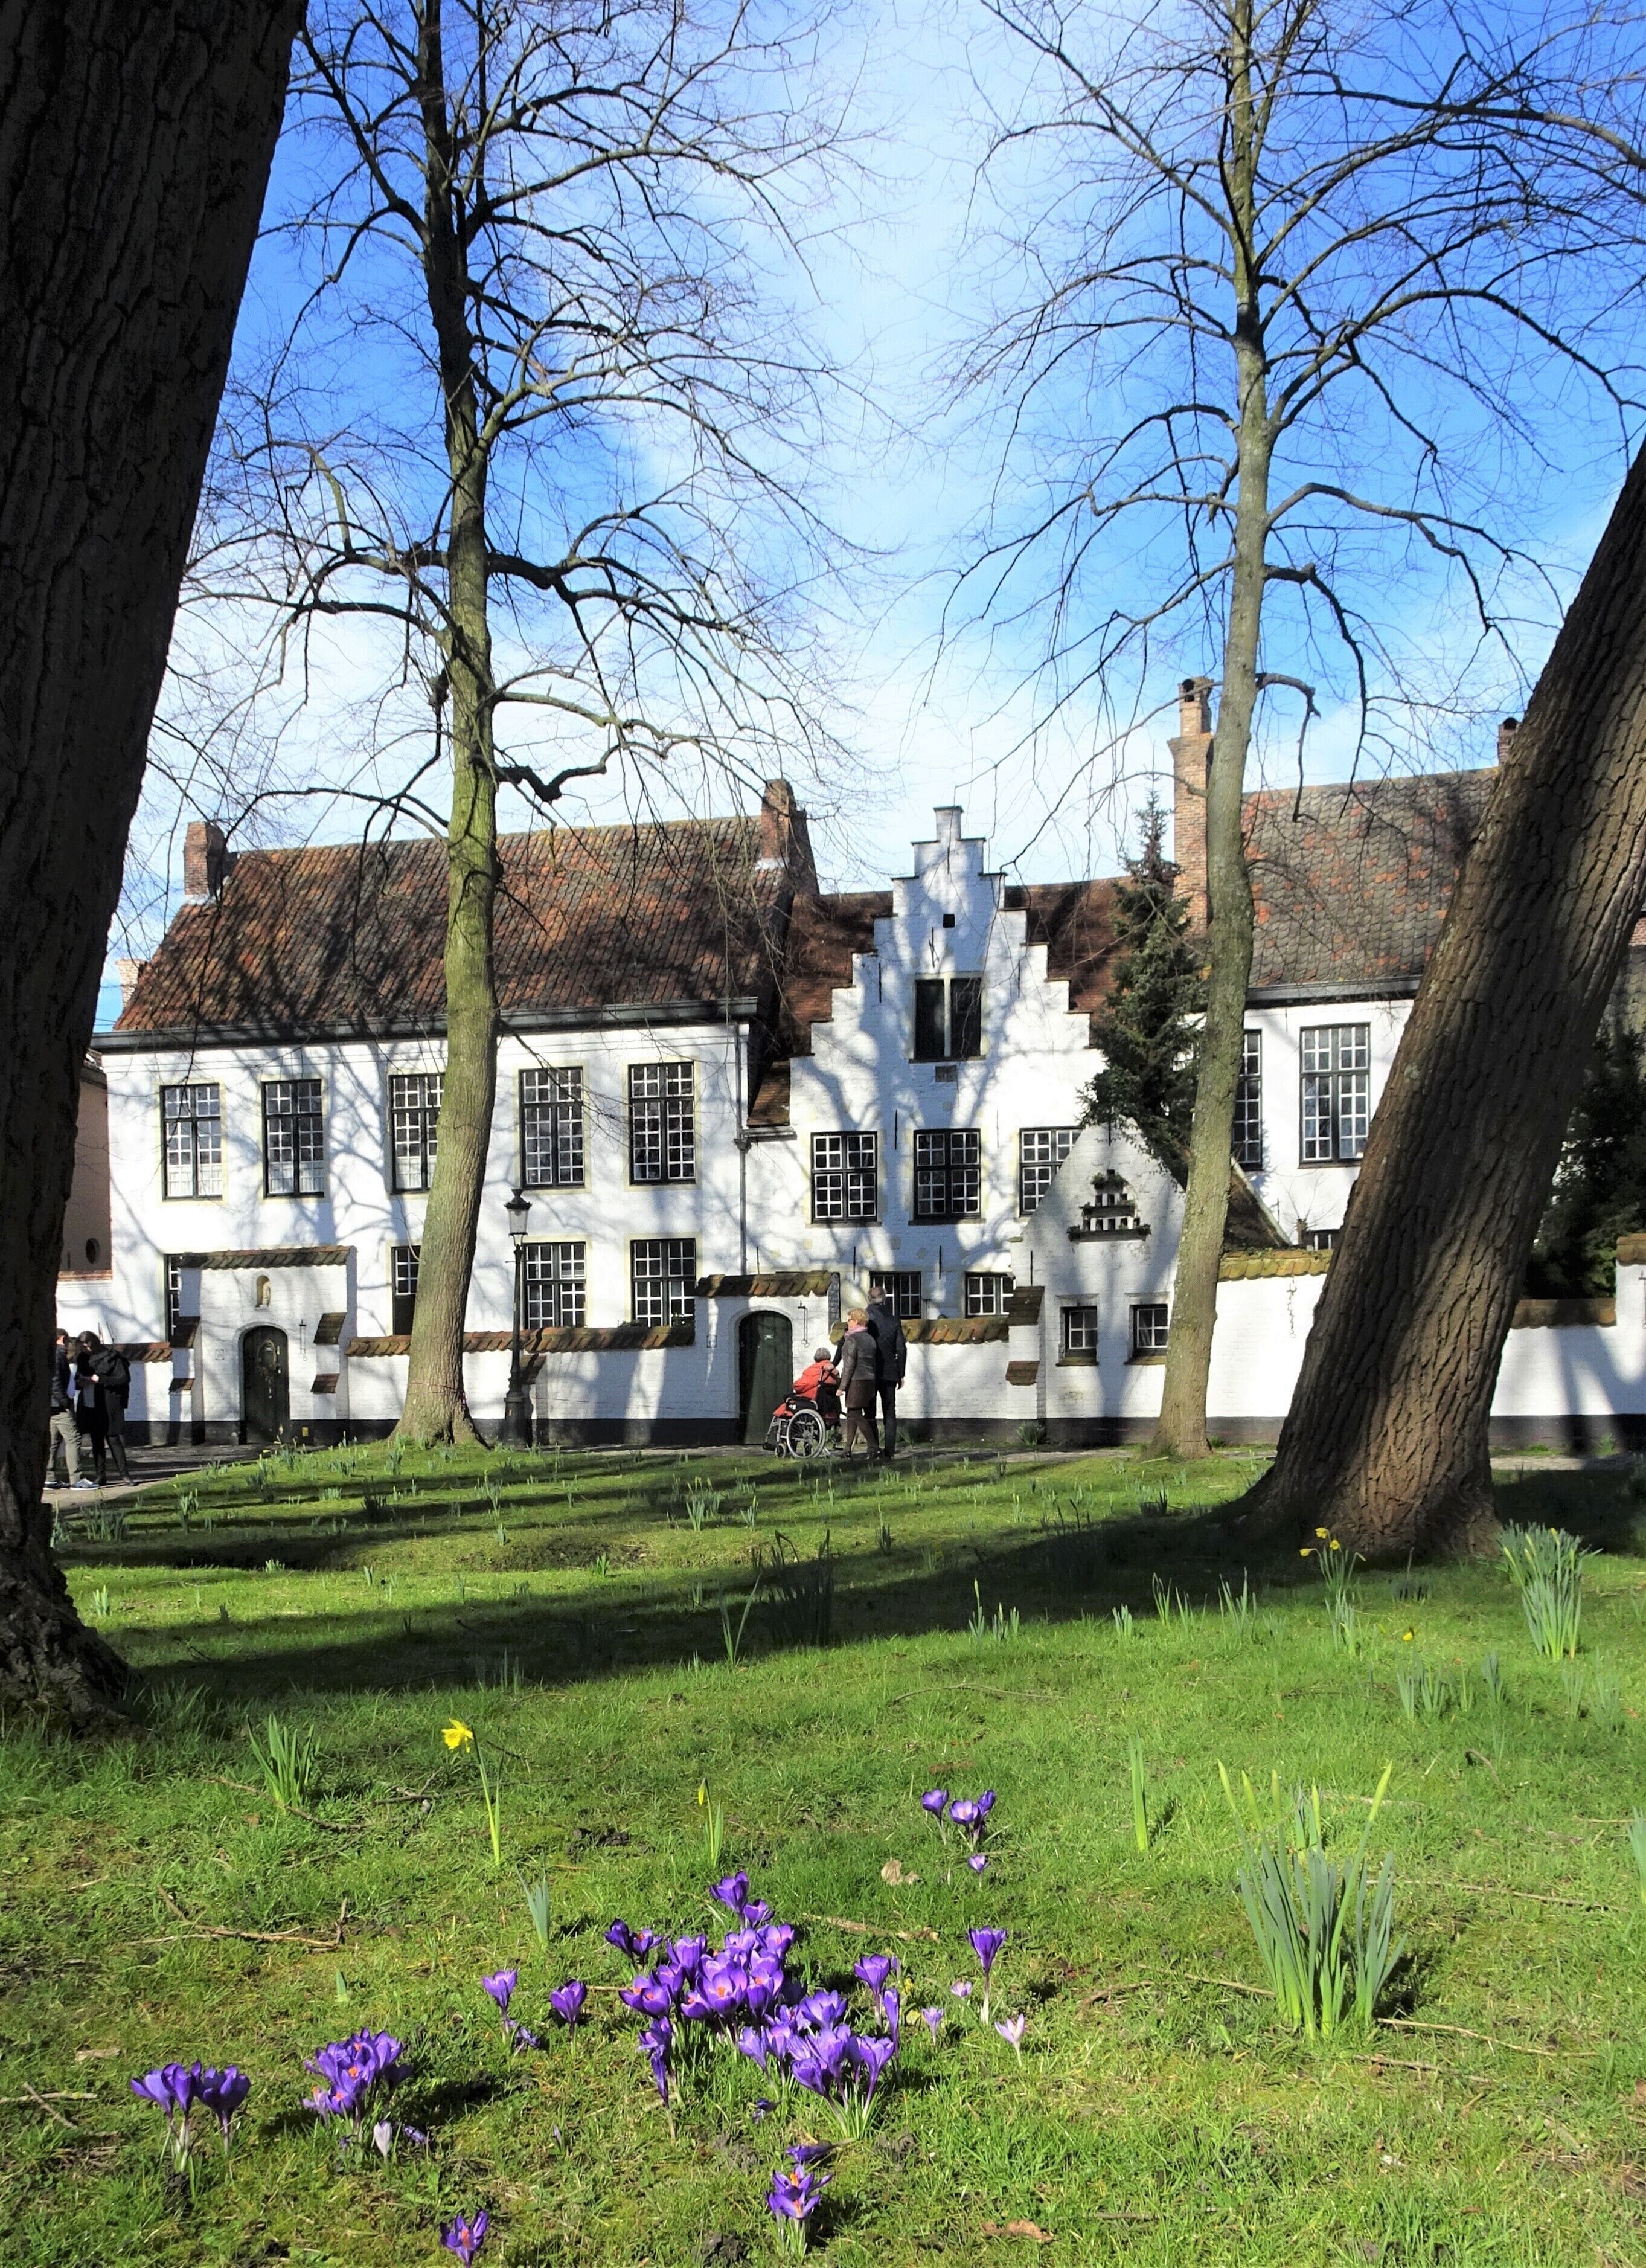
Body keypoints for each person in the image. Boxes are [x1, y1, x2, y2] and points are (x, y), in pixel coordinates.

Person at [865, 1289, 908, 1460]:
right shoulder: (893, 1319)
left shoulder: (864, 1318)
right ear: (884, 1300)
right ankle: (889, 1451)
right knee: (890, 1412)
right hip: (890, 1372)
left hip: (869, 1370)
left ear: (869, 1299)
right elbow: (901, 1349)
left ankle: (873, 1448)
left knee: (869, 1412)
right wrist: (901, 1373)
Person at [835, 1310, 880, 1457]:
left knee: (855, 1413)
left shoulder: (852, 1340)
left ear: (856, 1322)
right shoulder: (870, 1339)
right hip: (870, 1379)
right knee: (851, 1414)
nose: (847, 1323)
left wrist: (842, 1387)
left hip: (856, 1381)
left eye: (850, 1320)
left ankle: (874, 1446)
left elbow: (849, 1366)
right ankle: (847, 1449)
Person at [47, 1329, 88, 1489]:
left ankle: (49, 1478)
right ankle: (76, 1479)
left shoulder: (53, 1354)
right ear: (62, 1339)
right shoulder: (58, 1354)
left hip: (53, 1405)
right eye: (69, 1340)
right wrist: (64, 1401)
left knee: (53, 1441)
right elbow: (55, 1381)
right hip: (59, 1405)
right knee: (74, 1438)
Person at [89, 1335, 132, 1482]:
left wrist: (101, 1380)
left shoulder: (114, 1358)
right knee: (97, 1440)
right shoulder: (86, 1360)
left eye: (87, 1346)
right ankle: (100, 1475)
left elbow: (123, 1378)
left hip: (110, 1403)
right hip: (93, 1403)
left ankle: (124, 1474)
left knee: (113, 1439)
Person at [74, 1332, 109, 1487]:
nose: (85, 1349)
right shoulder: (82, 1358)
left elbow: (108, 1377)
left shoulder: (104, 1356)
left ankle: (101, 1474)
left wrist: (96, 1380)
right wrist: (81, 1382)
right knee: (80, 1438)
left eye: (87, 1346)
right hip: (85, 1403)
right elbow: (77, 1378)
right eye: (82, 1347)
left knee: (99, 1441)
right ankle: (78, 1473)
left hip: (101, 1403)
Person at [793, 1345, 841, 1427]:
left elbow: (799, 1386)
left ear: (816, 1358)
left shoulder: (813, 1370)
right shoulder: (835, 1371)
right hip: (832, 1405)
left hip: (815, 1401)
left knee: (790, 1399)